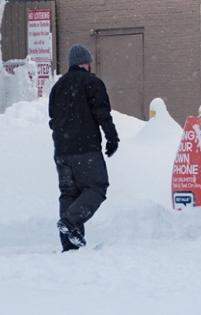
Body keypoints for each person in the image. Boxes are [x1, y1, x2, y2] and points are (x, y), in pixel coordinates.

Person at [48, 44, 119, 252]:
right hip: (85, 149)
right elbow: (102, 113)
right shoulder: (92, 83)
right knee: (97, 187)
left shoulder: (57, 87)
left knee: (69, 193)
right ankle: (70, 222)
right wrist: (112, 138)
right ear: (85, 62)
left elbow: (53, 119)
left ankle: (69, 244)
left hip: (61, 151)